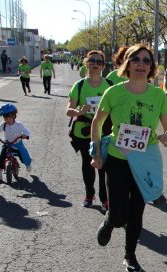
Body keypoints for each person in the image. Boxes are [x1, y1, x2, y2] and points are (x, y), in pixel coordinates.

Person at [90, 44, 167, 272]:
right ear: (127, 64)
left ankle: (130, 255)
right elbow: (97, 122)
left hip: (145, 160)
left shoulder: (157, 95)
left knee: (136, 211)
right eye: (135, 59)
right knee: (119, 215)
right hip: (118, 158)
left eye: (146, 60)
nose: (141, 64)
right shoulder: (114, 92)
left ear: (152, 67)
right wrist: (97, 152)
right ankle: (110, 222)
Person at [66, 50, 112, 211]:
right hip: (83, 131)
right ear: (86, 63)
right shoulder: (79, 86)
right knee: (88, 164)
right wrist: (79, 112)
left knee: (104, 166)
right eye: (91, 60)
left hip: (104, 131)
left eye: (99, 62)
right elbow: (68, 110)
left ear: (103, 66)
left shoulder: (110, 86)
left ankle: (105, 198)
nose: (95, 64)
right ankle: (89, 194)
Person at [0, 103, 33, 182]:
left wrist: (25, 135)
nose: (6, 120)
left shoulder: (19, 125)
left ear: (13, 116)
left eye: (8, 117)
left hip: (18, 142)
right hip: (8, 142)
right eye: (5, 117)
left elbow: (26, 131)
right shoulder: (3, 124)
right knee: (2, 154)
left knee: (23, 153)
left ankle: (28, 163)